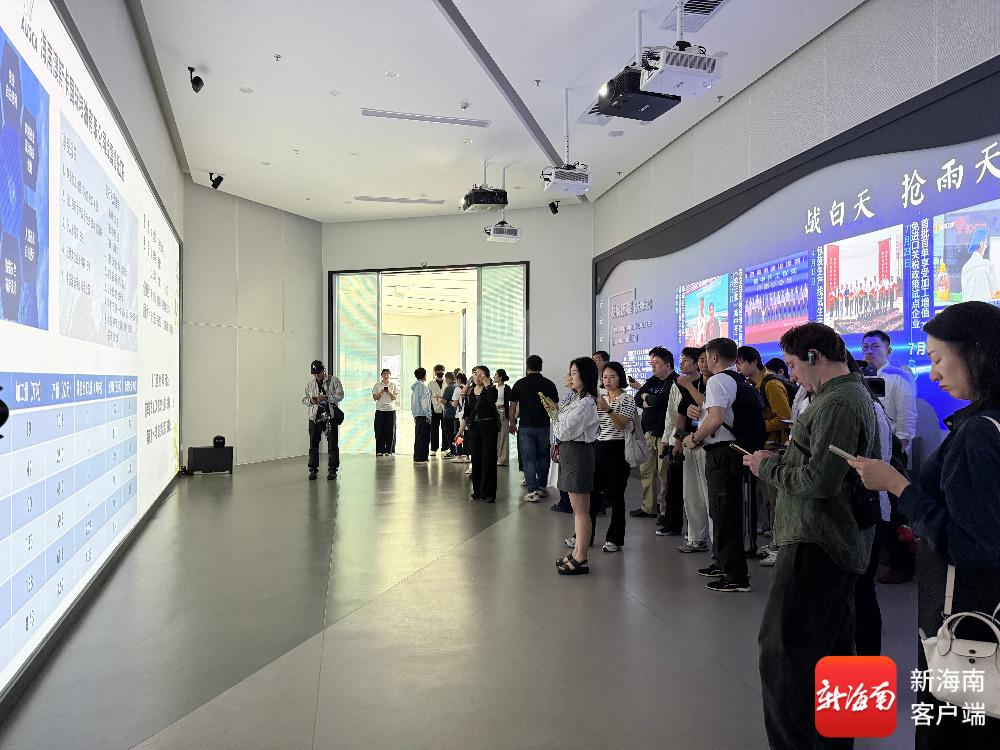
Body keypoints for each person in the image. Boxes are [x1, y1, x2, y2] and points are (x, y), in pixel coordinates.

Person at [849, 302, 1000, 748]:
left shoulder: (979, 432)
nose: (933, 374)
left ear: (977, 354)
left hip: (967, 619)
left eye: (938, 359)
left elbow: (969, 543)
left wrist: (897, 486)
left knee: (951, 723)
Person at [742, 322, 879, 750]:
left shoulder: (838, 403)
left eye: (794, 365)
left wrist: (767, 466)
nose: (793, 375)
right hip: (831, 540)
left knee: (785, 655)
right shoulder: (846, 396)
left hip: (816, 542)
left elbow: (819, 482)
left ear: (815, 356)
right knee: (835, 651)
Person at [682, 338, 758, 593]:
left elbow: (716, 419)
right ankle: (722, 562)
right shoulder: (737, 379)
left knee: (724, 513)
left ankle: (735, 575)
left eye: (705, 358)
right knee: (724, 511)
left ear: (714, 357)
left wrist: (694, 438)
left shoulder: (718, 380)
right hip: (732, 451)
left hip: (723, 454)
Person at [861, 329, 918, 585]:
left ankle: (902, 565)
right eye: (865, 347)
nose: (869, 351)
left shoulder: (899, 377)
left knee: (897, 509)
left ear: (888, 350)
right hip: (871, 451)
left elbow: (907, 415)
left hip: (894, 450)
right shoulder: (861, 378)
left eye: (875, 346)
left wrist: (902, 445)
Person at [737, 345, 792, 565]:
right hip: (762, 447)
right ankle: (774, 543)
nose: (738, 366)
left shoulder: (771, 384)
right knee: (769, 500)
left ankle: (779, 546)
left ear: (754, 362)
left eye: (741, 362)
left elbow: (785, 417)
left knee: (776, 500)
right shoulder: (754, 385)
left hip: (774, 449)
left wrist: (759, 426)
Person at [551, 357, 600, 575]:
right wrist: (557, 414)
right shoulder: (575, 397)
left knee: (581, 511)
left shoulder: (586, 403)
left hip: (579, 453)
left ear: (585, 375)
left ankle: (582, 557)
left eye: (574, 373)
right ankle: (577, 551)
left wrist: (554, 417)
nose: (570, 377)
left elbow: (562, 430)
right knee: (577, 509)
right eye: (570, 373)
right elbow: (560, 413)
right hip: (571, 453)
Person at [630, 347, 678, 521]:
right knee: (646, 471)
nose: (653, 366)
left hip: (665, 435)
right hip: (648, 433)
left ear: (668, 364)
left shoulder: (675, 381)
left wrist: (647, 398)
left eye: (656, 363)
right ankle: (648, 507)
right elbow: (637, 398)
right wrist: (646, 398)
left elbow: (660, 401)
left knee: (664, 475)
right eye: (651, 363)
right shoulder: (653, 380)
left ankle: (664, 510)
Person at [592, 362, 636, 553]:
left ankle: (614, 539)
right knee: (592, 493)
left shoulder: (627, 399)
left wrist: (608, 409)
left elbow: (622, 424)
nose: (607, 381)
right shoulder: (600, 398)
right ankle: (585, 535)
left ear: (620, 378)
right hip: (599, 447)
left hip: (618, 449)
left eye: (612, 377)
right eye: (605, 377)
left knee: (616, 495)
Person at [672, 347, 710, 553]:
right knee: (691, 494)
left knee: (709, 494)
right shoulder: (691, 386)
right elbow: (681, 415)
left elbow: (710, 407)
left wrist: (687, 385)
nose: (704, 364)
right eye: (701, 360)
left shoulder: (720, 383)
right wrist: (678, 441)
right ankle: (696, 538)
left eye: (706, 360)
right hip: (690, 442)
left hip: (709, 445)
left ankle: (716, 543)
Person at [510, 355, 559, 502]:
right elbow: (555, 407)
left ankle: (532, 490)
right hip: (544, 425)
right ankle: (542, 487)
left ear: (527, 367)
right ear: (541, 367)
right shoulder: (549, 384)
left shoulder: (520, 384)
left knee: (528, 459)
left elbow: (512, 406)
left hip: (525, 426)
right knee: (543, 456)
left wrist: (512, 423)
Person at [459, 366, 500, 502]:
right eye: (475, 374)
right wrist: (461, 429)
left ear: (486, 376)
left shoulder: (491, 389)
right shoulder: (471, 390)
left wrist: (487, 385)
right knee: (476, 459)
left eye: (480, 375)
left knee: (488, 459)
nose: (477, 377)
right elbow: (467, 412)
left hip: (489, 427)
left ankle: (489, 494)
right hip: (474, 428)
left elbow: (492, 400)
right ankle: (478, 491)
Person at [302, 360, 344, 480]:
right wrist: (311, 400)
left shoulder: (334, 381)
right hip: (314, 418)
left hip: (330, 417)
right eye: (314, 373)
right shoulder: (310, 384)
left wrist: (327, 397)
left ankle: (332, 470)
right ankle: (313, 470)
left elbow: (340, 395)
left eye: (318, 372)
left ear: (323, 370)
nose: (316, 375)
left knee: (333, 445)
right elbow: (304, 399)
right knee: (313, 445)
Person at [960, 227, 998, 302]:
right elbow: (996, 288)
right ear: (981, 244)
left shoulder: (965, 267)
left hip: (967, 307)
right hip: (983, 307)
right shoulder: (986, 265)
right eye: (986, 243)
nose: (986, 246)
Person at [372, 368, 399, 456]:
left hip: (391, 410)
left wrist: (388, 391)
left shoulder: (393, 385)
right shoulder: (377, 385)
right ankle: (380, 450)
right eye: (384, 374)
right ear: (381, 375)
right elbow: (375, 398)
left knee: (391, 431)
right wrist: (382, 391)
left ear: (390, 375)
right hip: (380, 410)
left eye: (387, 374)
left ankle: (389, 450)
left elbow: (394, 398)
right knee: (379, 430)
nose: (386, 376)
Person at [410, 368, 432, 463]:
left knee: (419, 436)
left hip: (418, 415)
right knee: (423, 437)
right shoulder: (422, 387)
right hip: (423, 415)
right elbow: (424, 402)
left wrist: (414, 415)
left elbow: (413, 403)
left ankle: (419, 457)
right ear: (424, 375)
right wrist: (428, 414)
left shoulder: (415, 387)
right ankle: (421, 458)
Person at [450, 373, 470, 464]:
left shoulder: (457, 389)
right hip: (467, 416)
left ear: (458, 380)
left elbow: (455, 404)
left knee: (458, 435)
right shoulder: (469, 388)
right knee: (467, 435)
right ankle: (467, 456)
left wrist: (451, 403)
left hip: (459, 415)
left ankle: (459, 455)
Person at [494, 369, 512, 466]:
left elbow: (510, 402)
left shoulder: (506, 388)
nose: (494, 377)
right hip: (494, 414)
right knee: (496, 437)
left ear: (500, 377)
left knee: (503, 436)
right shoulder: (493, 387)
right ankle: (496, 457)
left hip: (503, 413)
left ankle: (503, 459)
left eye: (496, 375)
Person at [427, 364, 447, 455]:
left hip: (445, 408)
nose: (440, 373)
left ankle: (445, 448)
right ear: (435, 372)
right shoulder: (431, 383)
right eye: (438, 371)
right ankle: (434, 448)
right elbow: (428, 397)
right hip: (434, 408)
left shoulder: (446, 382)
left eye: (441, 371)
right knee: (434, 429)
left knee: (445, 428)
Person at [441, 371, 458, 455]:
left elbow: (444, 401)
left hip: (448, 414)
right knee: (457, 434)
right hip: (457, 414)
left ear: (448, 378)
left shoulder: (449, 388)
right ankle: (458, 450)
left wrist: (439, 399)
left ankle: (453, 451)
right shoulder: (458, 386)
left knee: (449, 434)